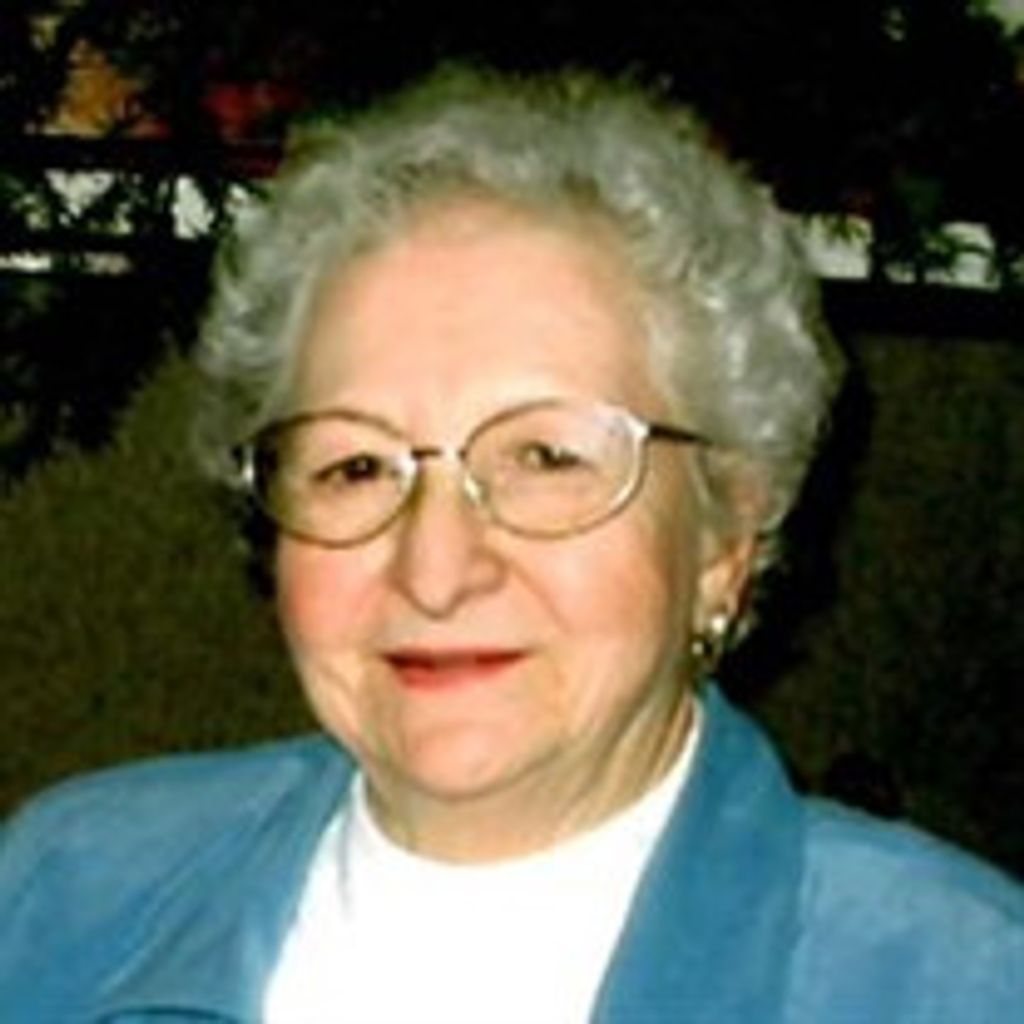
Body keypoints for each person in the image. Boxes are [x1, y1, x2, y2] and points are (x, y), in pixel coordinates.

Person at [2, 66, 1022, 1023]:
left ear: (724, 537)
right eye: (357, 467)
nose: (436, 572)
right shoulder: (63, 893)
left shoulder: (954, 981)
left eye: (546, 456)